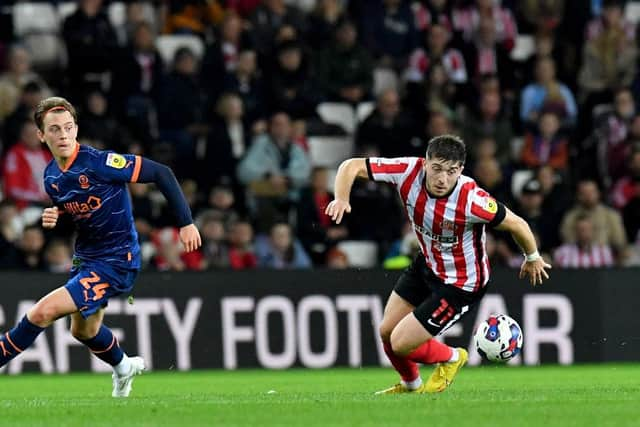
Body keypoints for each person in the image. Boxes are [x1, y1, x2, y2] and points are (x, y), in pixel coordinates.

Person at [0, 97, 201, 397]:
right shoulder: (52, 177)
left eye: (68, 127)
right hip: (86, 258)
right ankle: (123, 366)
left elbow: (162, 173)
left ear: (77, 129)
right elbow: (81, 214)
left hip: (118, 259)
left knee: (42, 312)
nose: (63, 135)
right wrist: (59, 214)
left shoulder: (100, 163)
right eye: (54, 129)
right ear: (41, 135)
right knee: (83, 331)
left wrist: (185, 222)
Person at [325, 134, 551, 394]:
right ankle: (411, 386)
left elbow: (516, 223)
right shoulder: (407, 170)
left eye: (452, 171)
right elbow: (351, 165)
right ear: (425, 163)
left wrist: (532, 256)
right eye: (437, 169)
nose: (443, 178)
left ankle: (453, 357)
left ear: (461, 171)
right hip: (427, 265)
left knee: (400, 343)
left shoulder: (471, 199)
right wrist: (342, 198)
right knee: (387, 331)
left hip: (461, 284)